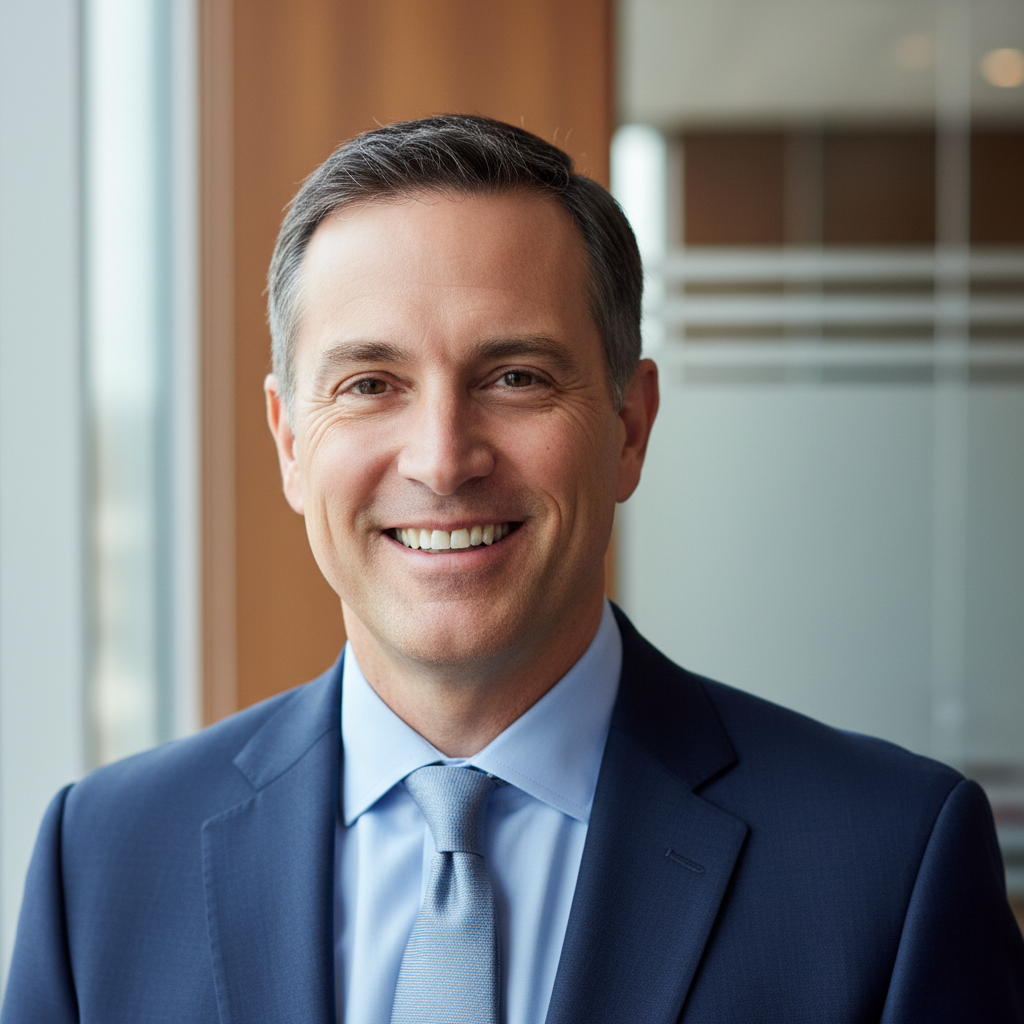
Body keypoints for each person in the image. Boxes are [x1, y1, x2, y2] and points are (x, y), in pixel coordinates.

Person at [3, 114, 1023, 1024]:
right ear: (287, 443)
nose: (443, 458)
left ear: (628, 427)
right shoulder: (101, 861)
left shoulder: (886, 863)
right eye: (370, 383)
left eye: (516, 377)